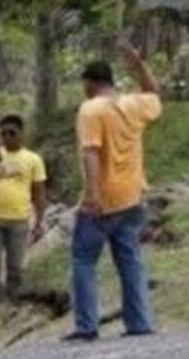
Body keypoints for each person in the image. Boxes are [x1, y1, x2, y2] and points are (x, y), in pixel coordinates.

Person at [66, 38, 163, 342]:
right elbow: (154, 93)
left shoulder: (91, 109)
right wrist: (137, 63)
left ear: (91, 83)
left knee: (83, 260)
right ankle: (139, 323)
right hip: (133, 196)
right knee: (130, 259)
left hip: (104, 200)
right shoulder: (134, 103)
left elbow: (91, 152)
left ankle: (86, 325)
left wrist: (92, 196)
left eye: (84, 84)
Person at [0, 114, 48, 304]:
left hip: (19, 219)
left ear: (21, 134)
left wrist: (40, 220)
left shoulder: (33, 159)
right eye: (4, 134)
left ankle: (14, 299)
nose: (7, 137)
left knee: (15, 266)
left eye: (12, 133)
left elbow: (39, 192)